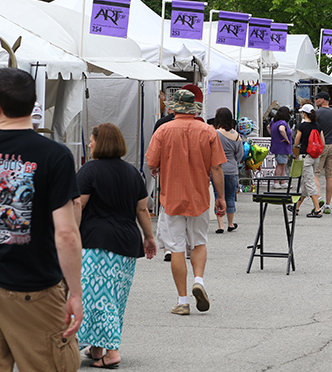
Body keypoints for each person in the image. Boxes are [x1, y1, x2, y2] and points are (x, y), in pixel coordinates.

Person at [0, 68, 83, 372]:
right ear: (34, 101)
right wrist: (75, 292)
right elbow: (66, 234)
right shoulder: (54, 155)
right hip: (33, 287)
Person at [77, 123, 157, 369]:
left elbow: (77, 206)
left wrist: (68, 235)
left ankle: (112, 352)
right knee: (114, 297)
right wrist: (149, 237)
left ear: (100, 143)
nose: (89, 144)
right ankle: (98, 348)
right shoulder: (132, 172)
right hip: (126, 242)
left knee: (98, 298)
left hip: (97, 242)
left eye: (91, 140)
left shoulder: (89, 171)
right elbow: (142, 209)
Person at [145, 89, 226, 315]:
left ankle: (182, 301)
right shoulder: (208, 131)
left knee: (176, 248)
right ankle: (198, 280)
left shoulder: (163, 130)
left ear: (174, 108)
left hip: (171, 197)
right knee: (199, 242)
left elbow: (151, 162)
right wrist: (220, 197)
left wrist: (158, 168)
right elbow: (217, 167)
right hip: (199, 196)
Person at [212, 108, 244, 234]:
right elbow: (240, 155)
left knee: (218, 196)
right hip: (232, 170)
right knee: (230, 197)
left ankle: (220, 225)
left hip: (217, 169)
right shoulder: (236, 136)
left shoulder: (214, 134)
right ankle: (230, 224)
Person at [293, 104, 324, 218]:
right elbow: (322, 142)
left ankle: (317, 209)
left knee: (309, 182)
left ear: (304, 114)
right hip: (315, 157)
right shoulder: (318, 126)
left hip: (305, 156)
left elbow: (296, 142)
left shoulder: (302, 126)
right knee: (305, 183)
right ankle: (296, 207)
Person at [269, 106, 293, 180]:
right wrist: (286, 139)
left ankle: (282, 181)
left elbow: (268, 127)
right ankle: (276, 181)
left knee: (283, 164)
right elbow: (281, 129)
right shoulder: (282, 122)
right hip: (282, 147)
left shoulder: (274, 122)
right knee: (280, 165)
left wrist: (273, 135)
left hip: (276, 145)